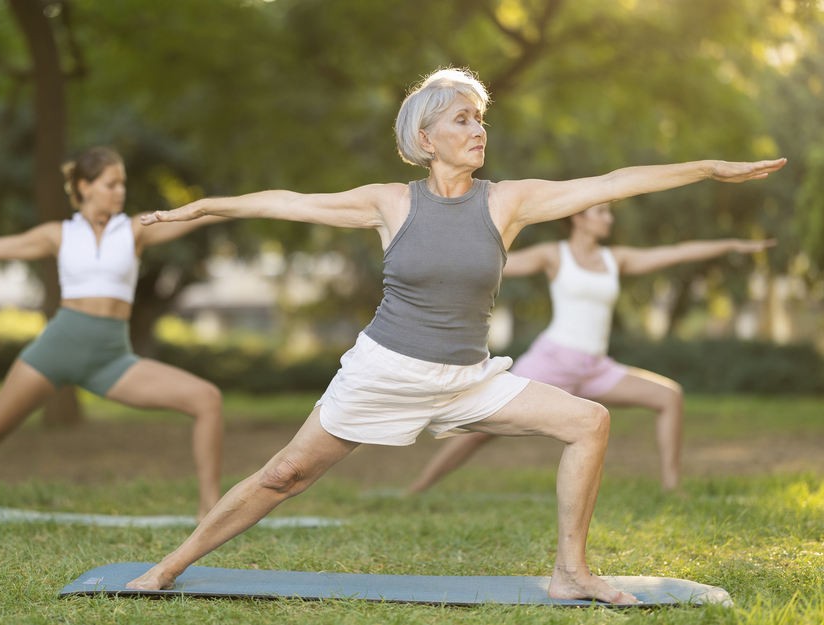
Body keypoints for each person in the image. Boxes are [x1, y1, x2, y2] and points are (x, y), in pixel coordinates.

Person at [124, 68, 785, 603]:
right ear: (425, 135)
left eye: (481, 118)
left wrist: (705, 167)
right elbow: (281, 200)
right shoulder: (389, 202)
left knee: (589, 420)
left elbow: (610, 183)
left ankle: (570, 571)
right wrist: (200, 208)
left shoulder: (508, 201)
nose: (478, 129)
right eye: (463, 118)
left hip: (468, 378)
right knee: (284, 473)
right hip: (385, 370)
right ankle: (168, 566)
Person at [0, 147, 227, 521]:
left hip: (110, 359)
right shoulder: (59, 235)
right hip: (59, 347)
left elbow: (200, 214)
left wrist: (249, 204)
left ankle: (209, 513)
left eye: (123, 184)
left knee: (206, 399)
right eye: (111, 184)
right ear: (85, 186)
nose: (120, 191)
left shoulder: (133, 230)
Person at [408, 202, 775, 494]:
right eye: (601, 211)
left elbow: (676, 252)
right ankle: (419, 488)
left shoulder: (616, 259)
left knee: (670, 397)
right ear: (579, 218)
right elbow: (495, 265)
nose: (609, 218)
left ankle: (671, 488)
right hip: (551, 363)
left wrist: (731, 245)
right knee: (481, 429)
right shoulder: (555, 255)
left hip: (596, 368)